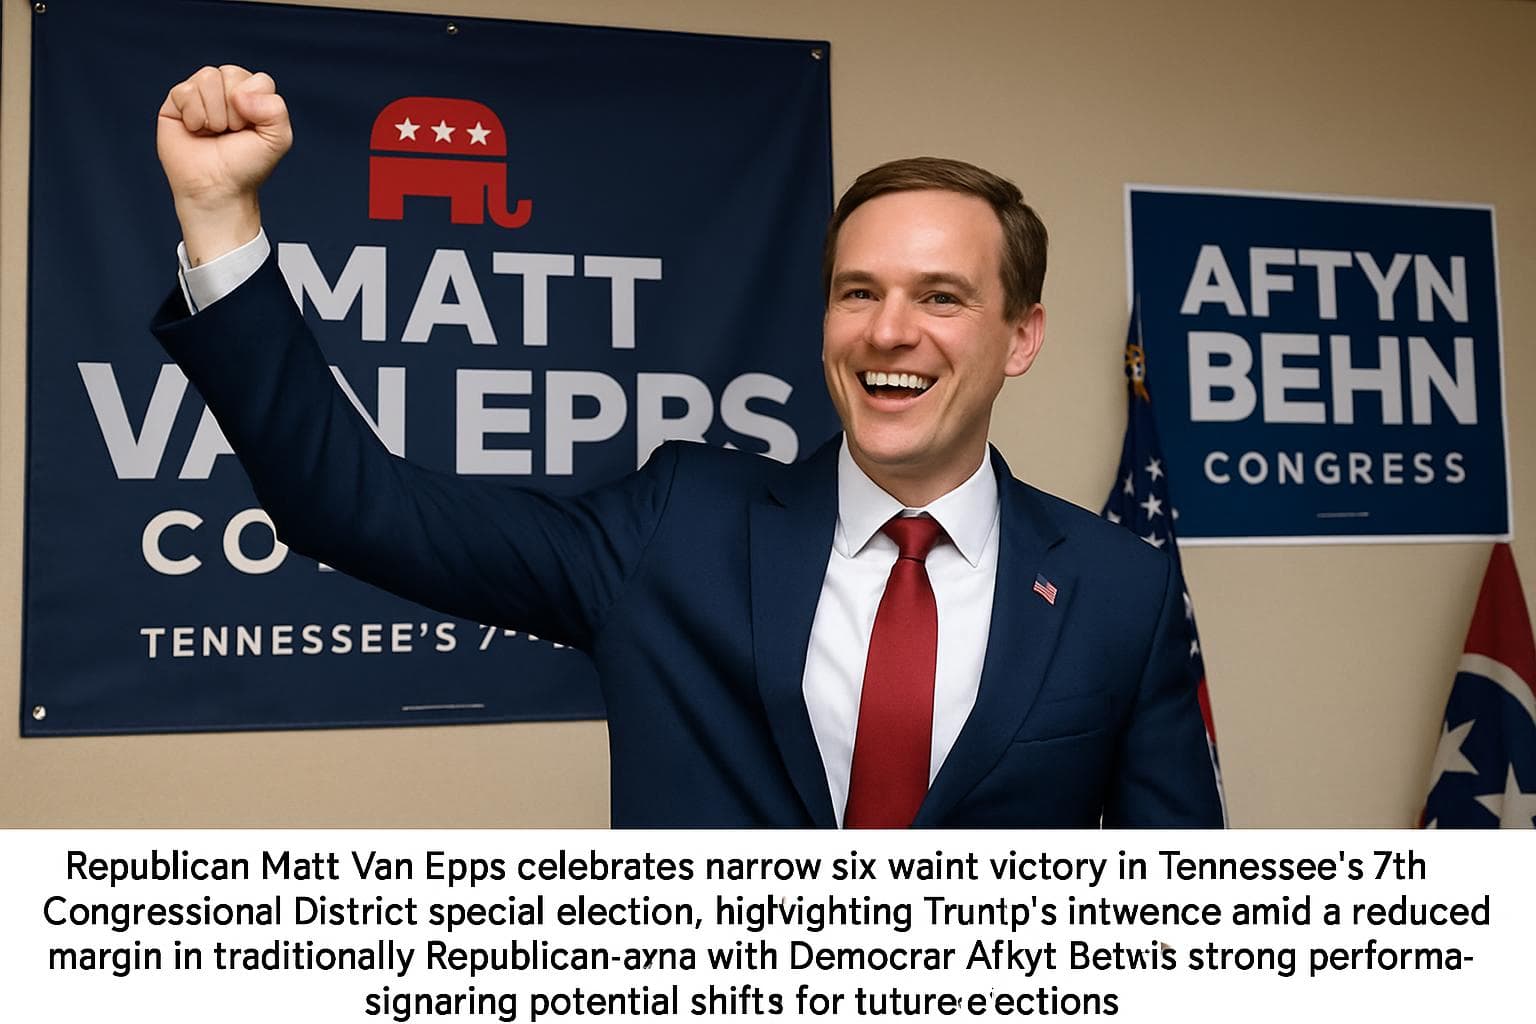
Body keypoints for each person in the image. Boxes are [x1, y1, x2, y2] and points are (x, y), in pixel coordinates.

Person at [153, 66, 1223, 827]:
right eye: (859, 292)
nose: (889, 330)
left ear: (1019, 336)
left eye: (940, 296)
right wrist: (217, 218)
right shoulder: (680, 526)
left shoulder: (1118, 590)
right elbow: (352, 504)